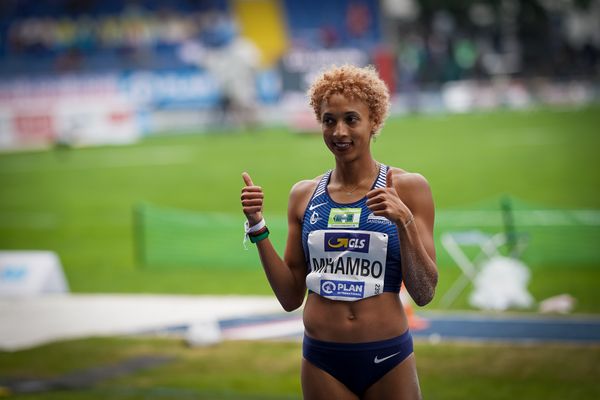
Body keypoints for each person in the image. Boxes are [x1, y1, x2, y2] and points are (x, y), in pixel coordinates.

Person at [240, 64, 438, 399]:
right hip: (322, 360)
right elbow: (290, 297)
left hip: (388, 356)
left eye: (351, 119)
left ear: (374, 121)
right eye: (329, 120)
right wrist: (257, 226)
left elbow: (424, 292)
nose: (339, 132)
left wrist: (403, 221)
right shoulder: (303, 195)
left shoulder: (408, 188)